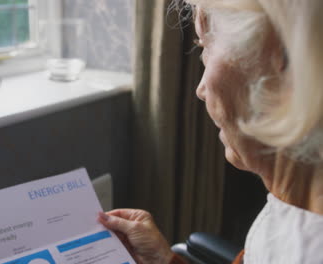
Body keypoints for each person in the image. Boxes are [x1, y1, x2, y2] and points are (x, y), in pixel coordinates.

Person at [99, 0, 323, 263]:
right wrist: (164, 260)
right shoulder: (297, 209)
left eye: (206, 46)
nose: (201, 89)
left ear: (280, 62)